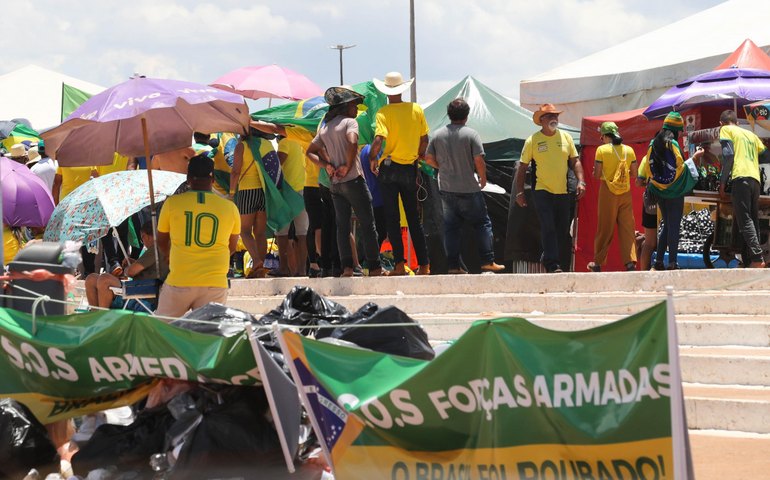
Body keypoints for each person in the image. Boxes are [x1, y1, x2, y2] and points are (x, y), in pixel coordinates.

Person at [307, 86, 383, 277]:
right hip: (354, 181)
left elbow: (310, 152)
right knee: (368, 224)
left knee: (342, 227)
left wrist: (327, 166)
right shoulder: (350, 122)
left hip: (335, 184)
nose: (356, 109)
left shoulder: (325, 127)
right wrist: (347, 166)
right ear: (346, 107)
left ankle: (347, 268)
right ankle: (375, 267)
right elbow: (352, 141)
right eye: (354, 105)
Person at [424, 98, 505, 274]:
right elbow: (479, 159)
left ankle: (453, 266)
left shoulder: (437, 135)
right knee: (482, 224)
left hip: (446, 189)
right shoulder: (471, 134)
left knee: (451, 228)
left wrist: (442, 167)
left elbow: (428, 158)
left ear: (449, 114)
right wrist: (483, 178)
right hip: (469, 188)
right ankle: (487, 260)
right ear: (467, 116)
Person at [155, 154, 240, 319]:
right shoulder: (230, 208)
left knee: (162, 329)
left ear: (188, 178)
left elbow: (162, 241)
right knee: (208, 332)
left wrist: (168, 256)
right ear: (213, 179)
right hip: (215, 283)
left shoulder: (172, 203)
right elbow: (232, 247)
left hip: (180, 280)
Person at [368, 71, 431, 276]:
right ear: (402, 89)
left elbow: (378, 139)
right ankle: (424, 265)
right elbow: (425, 139)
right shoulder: (416, 109)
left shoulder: (383, 113)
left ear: (386, 91)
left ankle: (398, 265)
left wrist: (372, 159)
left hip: (389, 167)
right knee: (413, 218)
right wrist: (418, 156)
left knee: (392, 218)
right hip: (409, 168)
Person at [513, 103, 586, 273]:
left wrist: (581, 181)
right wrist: (519, 192)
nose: (554, 118)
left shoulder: (566, 137)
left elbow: (575, 161)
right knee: (548, 226)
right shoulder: (533, 140)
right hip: (541, 190)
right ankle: (553, 264)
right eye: (550, 116)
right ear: (542, 120)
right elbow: (522, 167)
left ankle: (548, 256)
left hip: (562, 190)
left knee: (562, 228)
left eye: (556, 115)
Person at [701, 109, 770, 267]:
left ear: (721, 123)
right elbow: (766, 155)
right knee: (753, 220)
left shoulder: (726, 130)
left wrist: (723, 182)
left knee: (745, 220)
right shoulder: (751, 135)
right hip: (755, 180)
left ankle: (757, 258)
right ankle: (755, 258)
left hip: (740, 178)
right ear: (737, 123)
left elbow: (729, 155)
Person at [638, 111, 697, 271]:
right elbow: (680, 166)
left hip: (658, 191)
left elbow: (648, 168)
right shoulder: (673, 144)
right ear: (676, 130)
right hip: (674, 191)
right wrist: (694, 160)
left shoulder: (653, 143)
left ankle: (658, 261)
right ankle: (672, 262)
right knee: (674, 225)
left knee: (667, 225)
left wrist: (658, 184)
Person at [588, 122, 637, 272]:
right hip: (625, 192)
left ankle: (598, 263)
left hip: (608, 191)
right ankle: (630, 263)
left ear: (604, 136)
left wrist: (596, 172)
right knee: (627, 228)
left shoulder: (601, 150)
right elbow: (634, 173)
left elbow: (597, 174)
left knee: (605, 227)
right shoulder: (629, 150)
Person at [84, 222, 168, 309]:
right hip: (139, 289)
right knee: (91, 278)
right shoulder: (160, 250)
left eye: (142, 240)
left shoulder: (155, 249)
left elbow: (131, 272)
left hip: (144, 296)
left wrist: (125, 270)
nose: (143, 243)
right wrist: (134, 263)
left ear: (145, 236)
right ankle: (95, 313)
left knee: (105, 279)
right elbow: (148, 269)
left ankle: (102, 315)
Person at [230, 127, 273, 278]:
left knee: (244, 230)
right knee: (260, 233)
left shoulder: (242, 146)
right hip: (264, 192)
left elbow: (235, 171)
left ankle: (256, 260)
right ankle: (259, 269)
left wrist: (231, 193)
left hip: (247, 191)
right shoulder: (267, 144)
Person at [271, 135, 309, 276]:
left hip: (287, 192)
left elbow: (276, 166)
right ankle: (302, 270)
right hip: (303, 191)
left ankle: (284, 268)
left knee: (282, 232)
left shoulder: (285, 142)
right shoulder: (300, 141)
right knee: (302, 233)